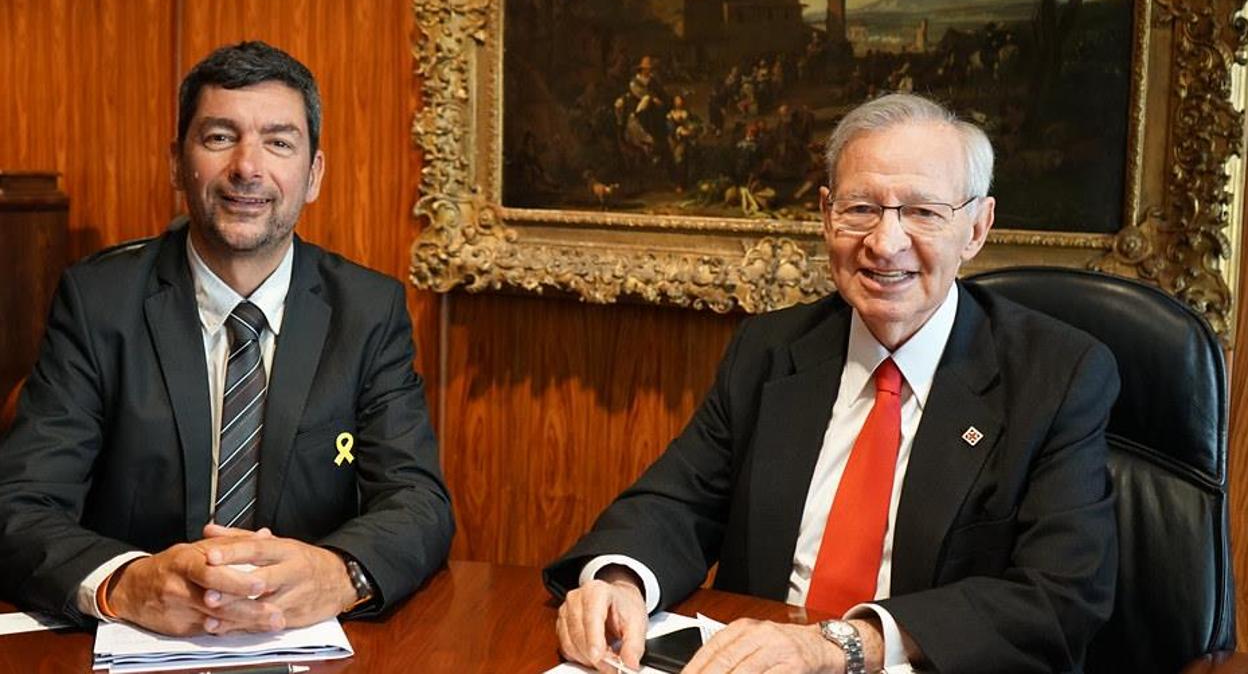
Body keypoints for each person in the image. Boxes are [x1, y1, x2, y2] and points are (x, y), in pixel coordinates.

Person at [544, 93, 1117, 673]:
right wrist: (620, 580)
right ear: (826, 215)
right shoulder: (769, 351)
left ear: (975, 227)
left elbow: (1058, 596)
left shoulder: (1057, 377)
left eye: (922, 212)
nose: (885, 243)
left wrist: (844, 646)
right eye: (861, 208)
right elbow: (677, 502)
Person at [0, 41, 454, 636]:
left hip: (304, 644)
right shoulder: (98, 303)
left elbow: (418, 501)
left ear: (313, 174)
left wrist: (336, 573)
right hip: (137, 645)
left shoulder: (367, 312)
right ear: (176, 163)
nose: (248, 166)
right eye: (219, 137)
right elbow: (20, 504)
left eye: (279, 142)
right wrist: (124, 582)